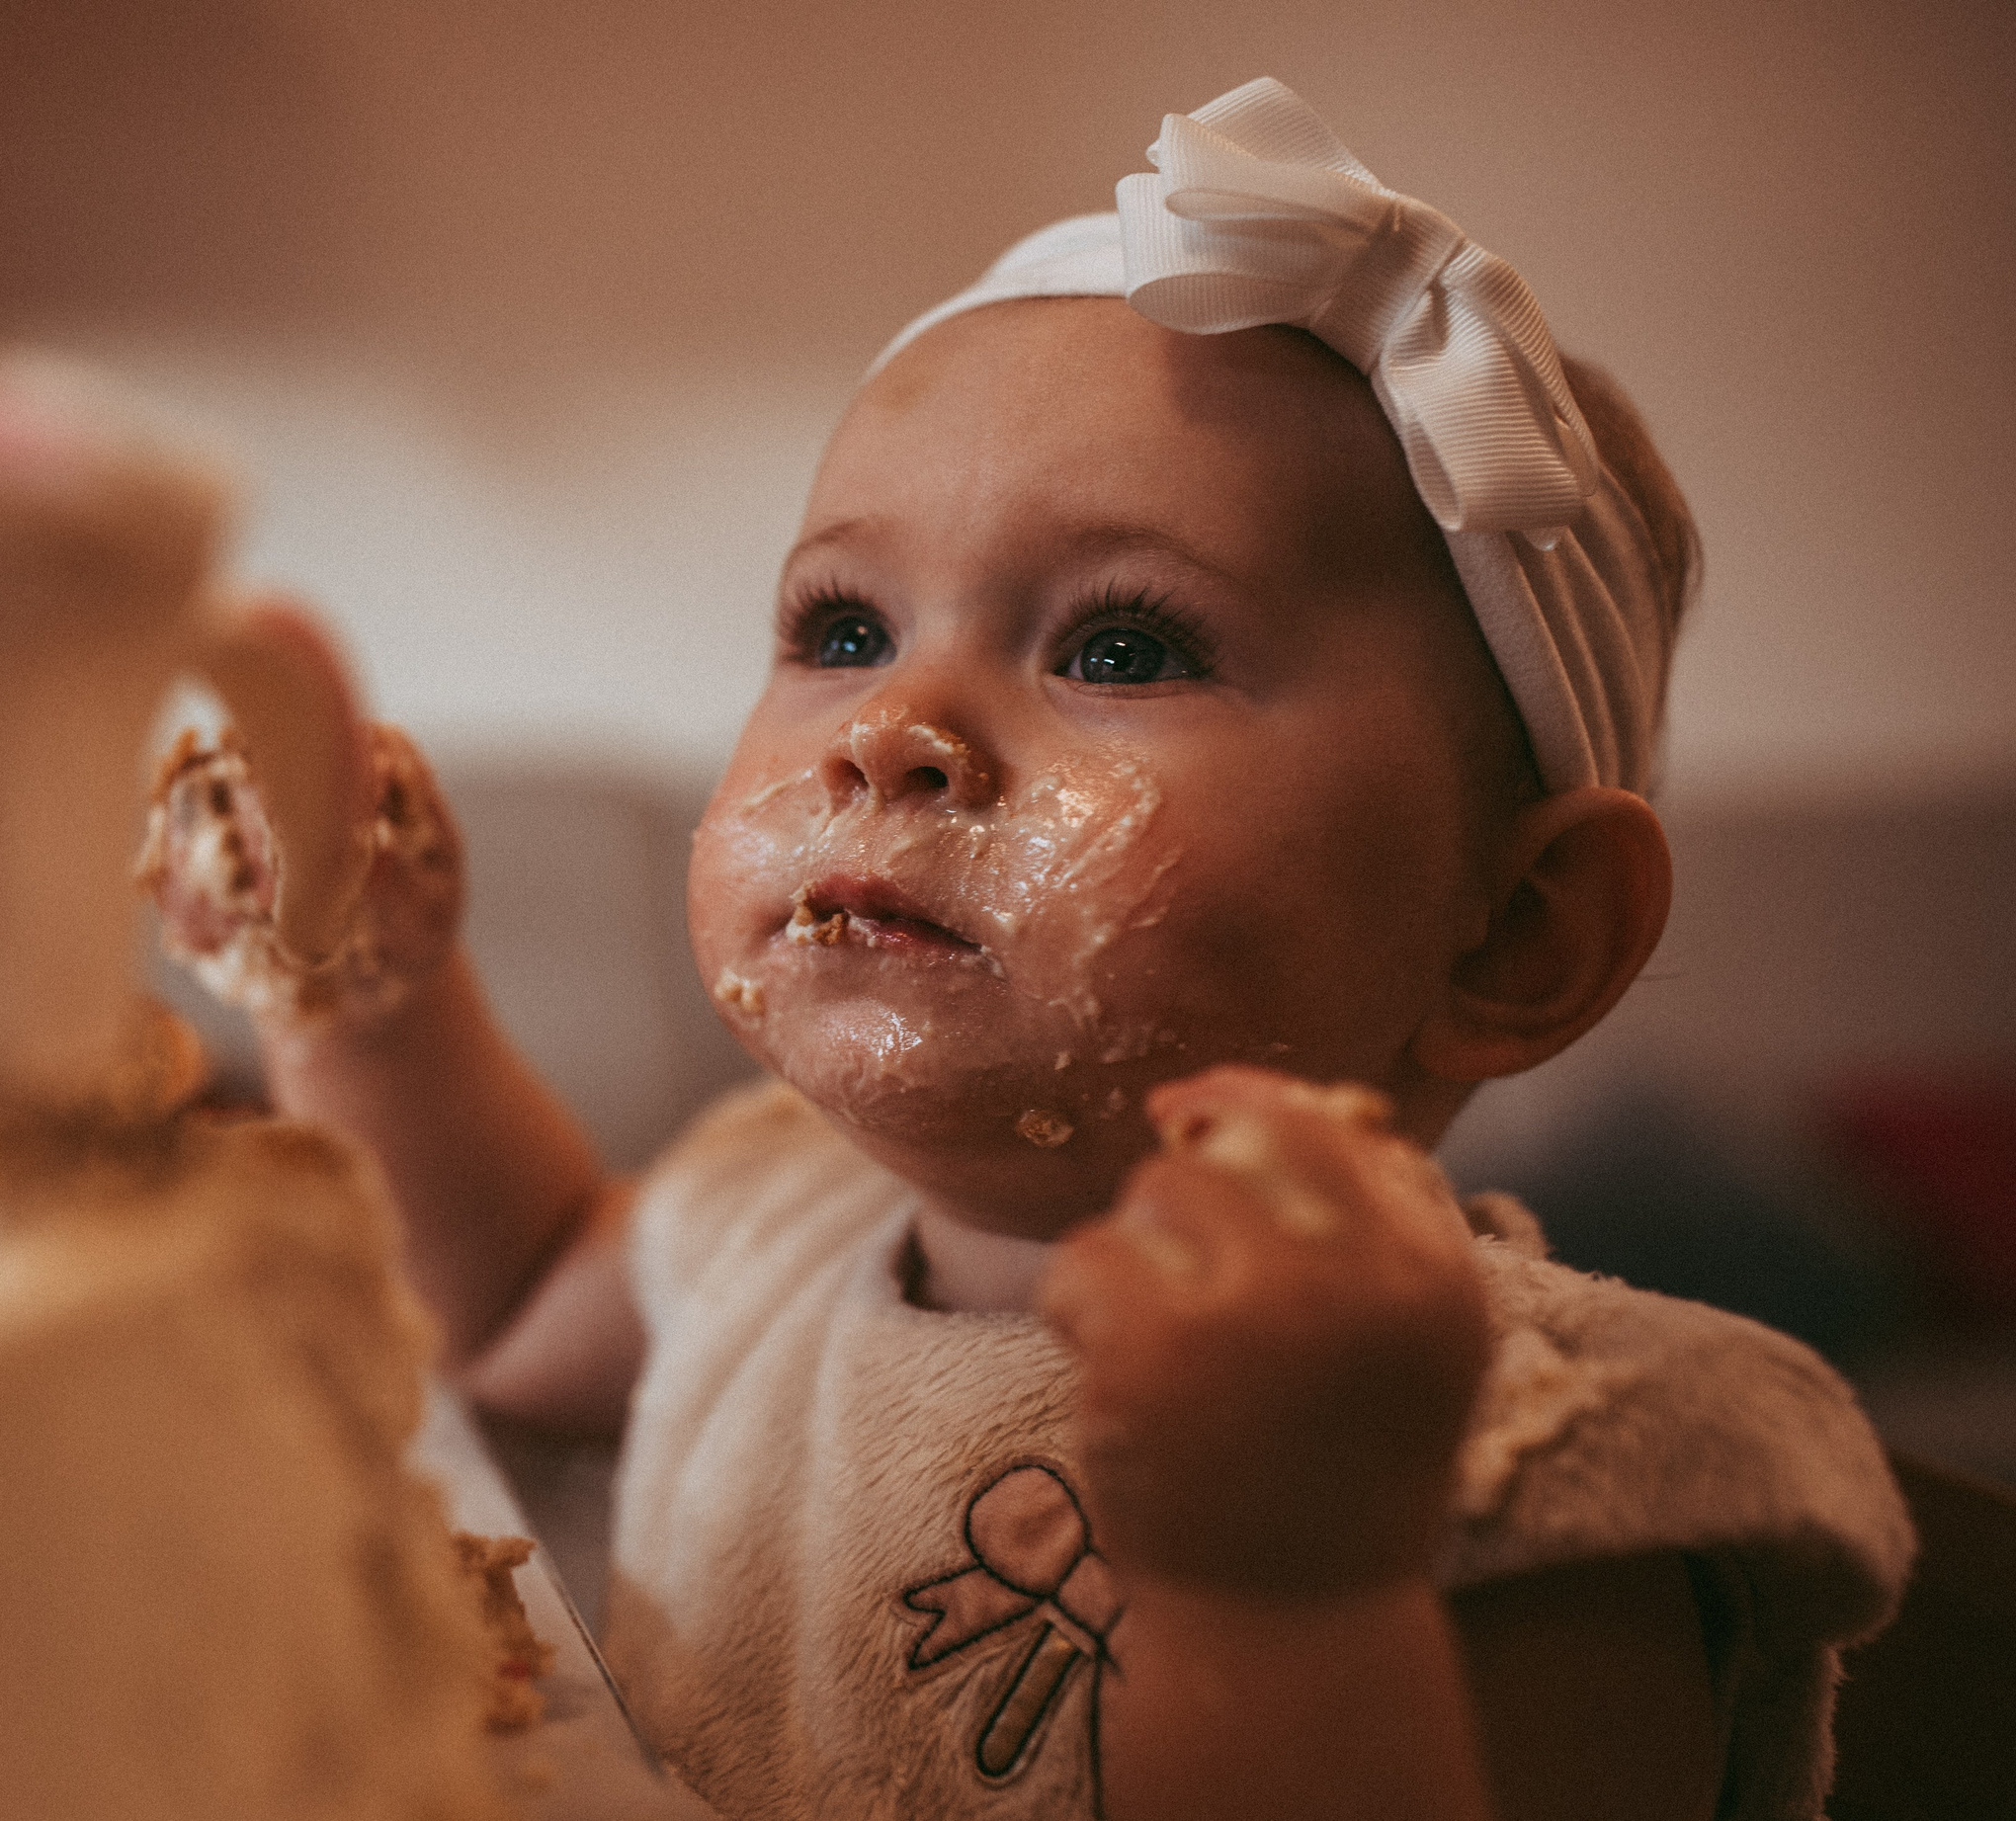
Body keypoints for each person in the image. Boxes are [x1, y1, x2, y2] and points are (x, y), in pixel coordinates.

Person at [181, 79, 1911, 1821]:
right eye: (843, 627)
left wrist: (1288, 1596)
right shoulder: (770, 1222)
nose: (897, 728)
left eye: (1126, 649)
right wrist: (367, 992)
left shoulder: (1518, 1469)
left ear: (1516, 934)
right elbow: (498, 1295)